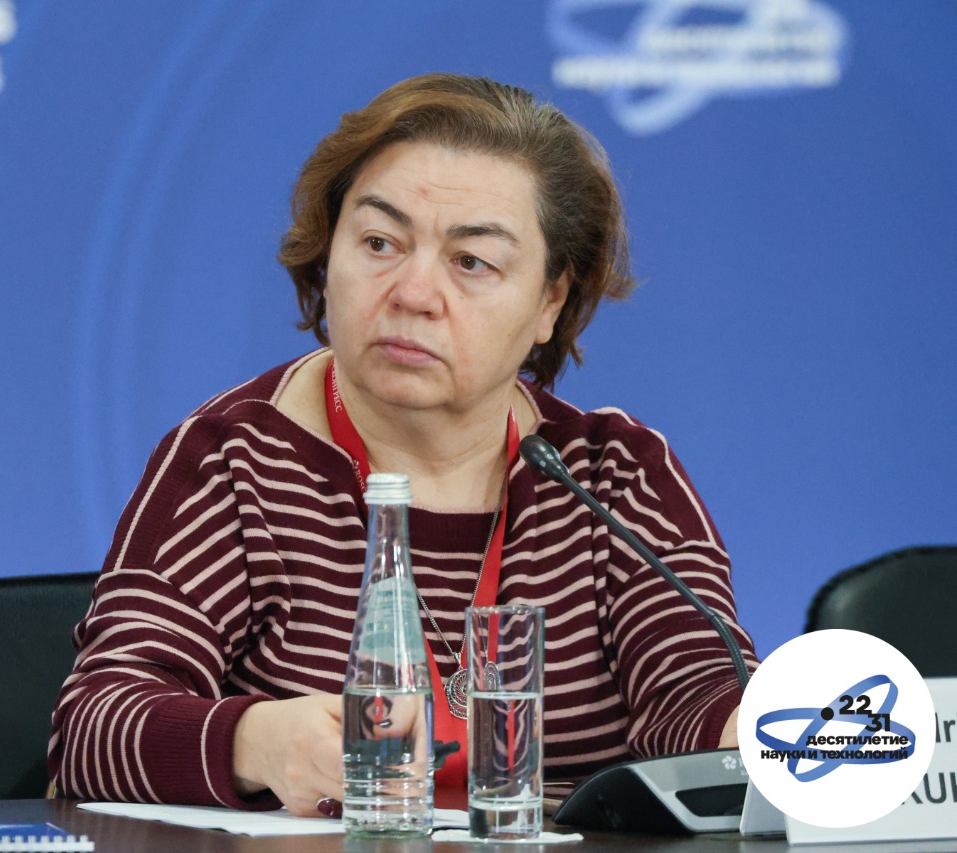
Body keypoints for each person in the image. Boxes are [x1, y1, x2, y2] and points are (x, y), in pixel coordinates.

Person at [47, 73, 757, 817]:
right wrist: (256, 741)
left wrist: (764, 730)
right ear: (329, 256)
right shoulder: (235, 461)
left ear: (550, 299)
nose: (413, 294)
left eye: (471, 261)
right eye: (380, 243)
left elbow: (700, 695)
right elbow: (94, 726)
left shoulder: (611, 477)